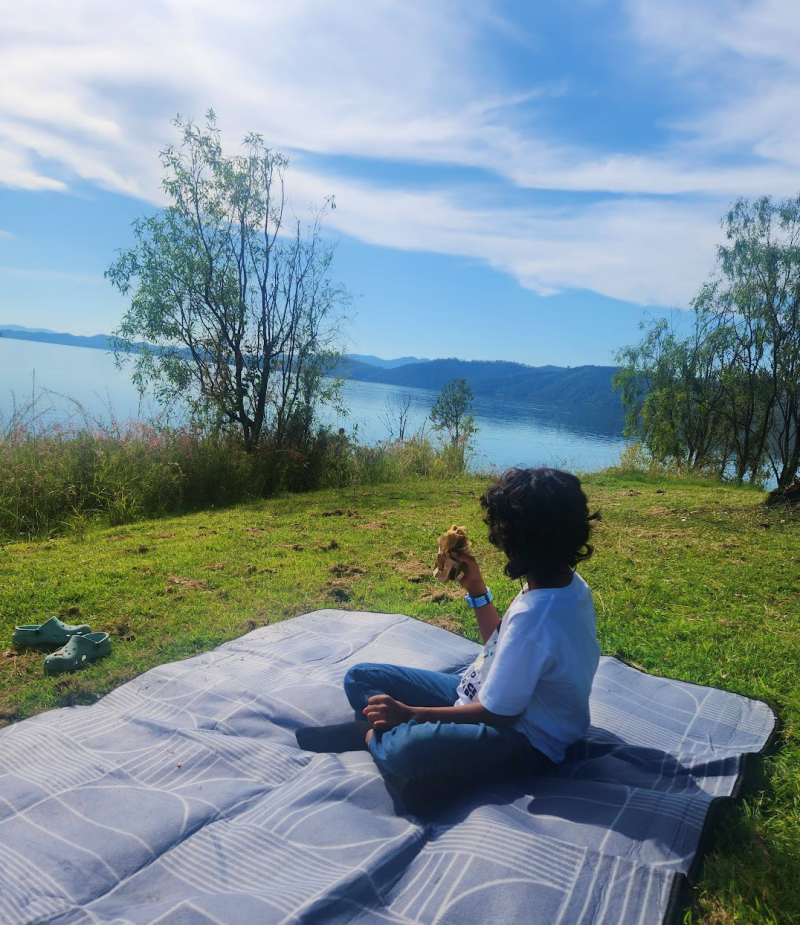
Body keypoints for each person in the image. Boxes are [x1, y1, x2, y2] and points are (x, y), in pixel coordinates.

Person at [296, 467, 600, 799]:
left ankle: (371, 738)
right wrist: (476, 588)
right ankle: (416, 748)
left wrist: (410, 714)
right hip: (480, 692)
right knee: (361, 676)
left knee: (405, 751)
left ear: (517, 538)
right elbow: (503, 646)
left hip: (528, 739)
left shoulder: (539, 616)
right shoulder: (562, 581)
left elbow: (500, 714)